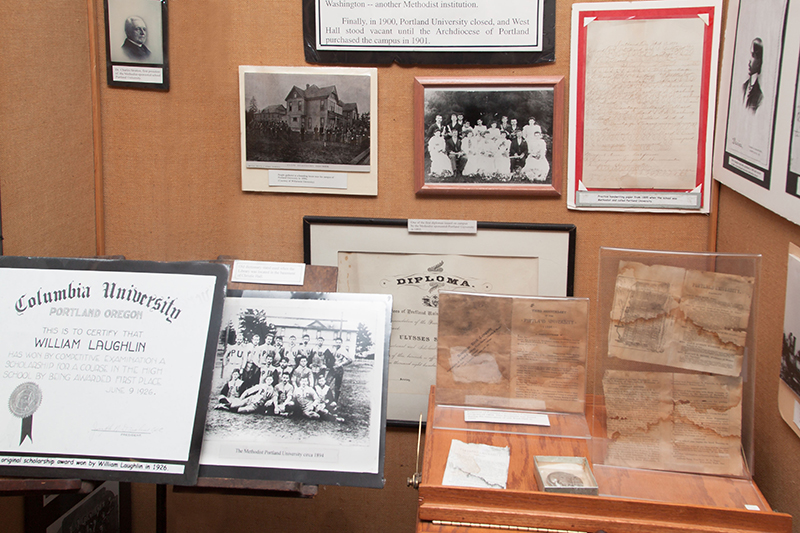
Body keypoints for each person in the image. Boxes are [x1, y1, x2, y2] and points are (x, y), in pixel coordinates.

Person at [743, 37, 764, 112]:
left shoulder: (759, 97)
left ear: (758, 61)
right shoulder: (744, 87)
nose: (749, 60)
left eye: (753, 55)